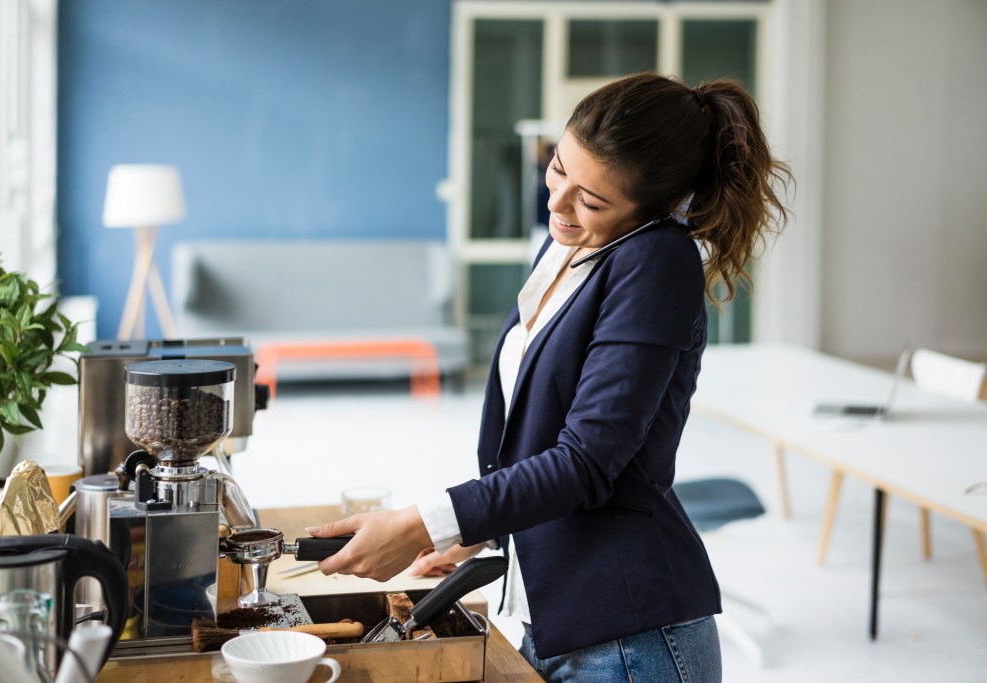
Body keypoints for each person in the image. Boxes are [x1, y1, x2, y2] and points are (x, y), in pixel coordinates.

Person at [308, 71, 792, 682]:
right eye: (558, 167)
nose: (558, 203)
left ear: (654, 207)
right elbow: (538, 432)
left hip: (630, 640)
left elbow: (586, 461)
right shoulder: (570, 247)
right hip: (558, 615)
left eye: (591, 199)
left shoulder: (656, 261)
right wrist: (477, 533)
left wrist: (420, 523)